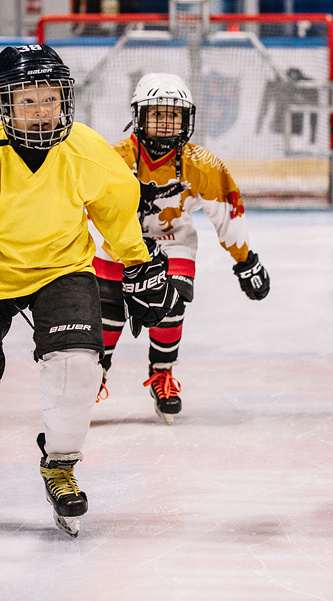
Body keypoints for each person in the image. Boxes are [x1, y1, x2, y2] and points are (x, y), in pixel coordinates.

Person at [0, 44, 179, 536]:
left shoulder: (86, 151)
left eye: (50, 98)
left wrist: (140, 266)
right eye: (27, 100)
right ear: (4, 105)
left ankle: (59, 466)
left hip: (61, 268)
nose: (41, 111)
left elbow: (117, 215)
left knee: (78, 364)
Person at [92, 72, 270, 423]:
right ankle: (93, 375)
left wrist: (245, 260)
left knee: (169, 304)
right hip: (116, 247)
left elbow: (227, 212)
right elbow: (79, 203)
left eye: (172, 115)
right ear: (138, 117)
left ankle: (162, 372)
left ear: (186, 120)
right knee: (106, 317)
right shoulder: (112, 158)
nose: (164, 123)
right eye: (156, 114)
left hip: (173, 243)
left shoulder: (203, 164)